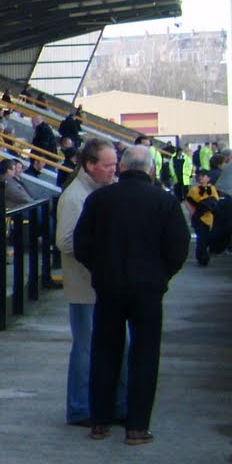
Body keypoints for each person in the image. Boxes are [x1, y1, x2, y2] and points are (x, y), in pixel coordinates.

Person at [74, 145, 190, 445]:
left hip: (109, 288)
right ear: (150, 170)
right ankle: (137, 426)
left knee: (104, 353)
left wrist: (101, 271)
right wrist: (161, 277)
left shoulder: (99, 199)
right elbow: (178, 248)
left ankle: (99, 421)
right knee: (145, 356)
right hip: (148, 291)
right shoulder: (165, 202)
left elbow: (81, 244)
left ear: (122, 168)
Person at [56, 138, 121, 427]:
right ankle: (80, 407)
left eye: (115, 165)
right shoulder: (75, 197)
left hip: (97, 282)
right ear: (90, 165)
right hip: (84, 285)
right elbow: (65, 241)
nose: (113, 171)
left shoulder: (96, 192)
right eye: (107, 166)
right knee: (85, 346)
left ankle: (104, 403)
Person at [185, 168, 222, 266]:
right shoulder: (194, 189)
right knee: (201, 237)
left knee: (206, 237)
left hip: (209, 216)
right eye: (199, 176)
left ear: (208, 178)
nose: (200, 178)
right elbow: (188, 202)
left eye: (203, 176)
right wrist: (192, 212)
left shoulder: (212, 188)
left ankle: (204, 254)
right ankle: (202, 256)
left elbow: (215, 201)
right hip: (199, 216)